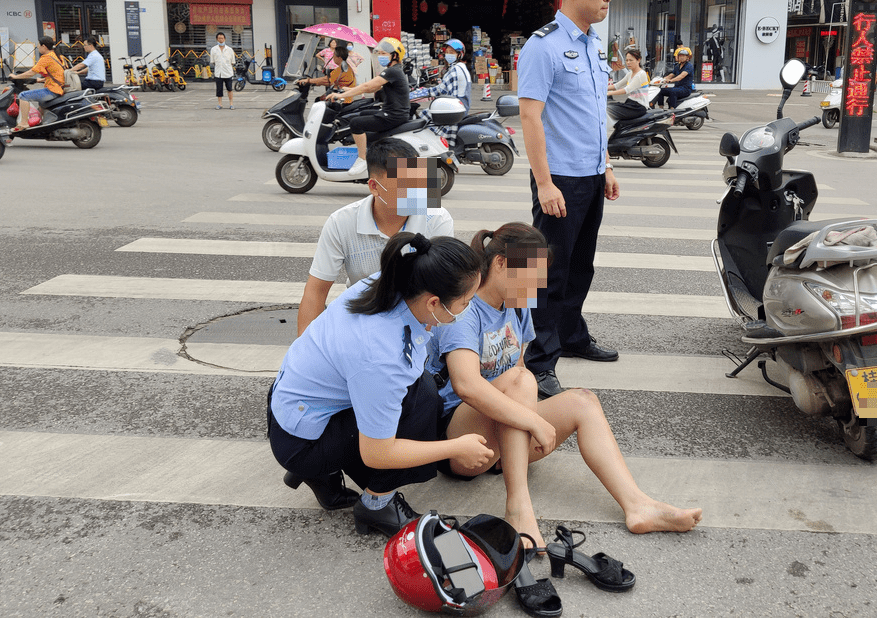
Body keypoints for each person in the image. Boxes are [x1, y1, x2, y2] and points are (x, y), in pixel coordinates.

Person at [427, 223, 703, 547]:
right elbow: (466, 386)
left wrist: (523, 425)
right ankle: (518, 508)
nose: (534, 288)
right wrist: (532, 421)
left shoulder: (517, 306)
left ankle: (638, 506)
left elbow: (516, 366)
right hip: (460, 441)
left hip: (503, 441)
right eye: (529, 276)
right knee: (522, 379)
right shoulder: (464, 309)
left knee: (583, 400)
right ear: (500, 263)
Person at [268, 232, 492, 538]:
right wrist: (454, 447)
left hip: (295, 406)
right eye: (466, 302)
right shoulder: (381, 357)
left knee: (420, 388)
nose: (468, 310)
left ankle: (323, 473)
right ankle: (376, 505)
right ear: (434, 302)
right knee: (423, 402)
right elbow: (378, 454)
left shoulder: (390, 282)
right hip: (302, 440)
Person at [517, 0, 620, 400]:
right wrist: (543, 184)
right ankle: (539, 363)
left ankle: (573, 336)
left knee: (581, 268)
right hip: (558, 180)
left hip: (592, 176)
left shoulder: (595, 44)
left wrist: (608, 165)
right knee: (547, 275)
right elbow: (530, 118)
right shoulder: (543, 45)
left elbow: (593, 113)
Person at [297, 138, 455, 336]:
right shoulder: (341, 222)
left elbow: (440, 288)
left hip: (420, 321)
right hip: (365, 318)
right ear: (374, 186)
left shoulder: (436, 218)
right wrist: (303, 351)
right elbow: (316, 291)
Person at [323, 37, 411, 179]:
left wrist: (342, 95)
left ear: (395, 56)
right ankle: (372, 156)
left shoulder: (392, 71)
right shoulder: (393, 70)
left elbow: (367, 86)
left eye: (384, 54)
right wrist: (346, 90)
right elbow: (373, 87)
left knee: (356, 123)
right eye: (380, 54)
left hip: (394, 114)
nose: (381, 57)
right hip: (393, 112)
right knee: (363, 113)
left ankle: (362, 160)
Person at [414, 38, 472, 139]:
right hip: (459, 107)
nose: (448, 54)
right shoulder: (460, 67)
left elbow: (439, 90)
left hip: (455, 109)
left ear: (459, 55)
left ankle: (433, 145)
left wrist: (417, 94)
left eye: (452, 52)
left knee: (425, 116)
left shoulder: (456, 70)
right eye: (447, 52)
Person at [9, 36, 65, 131]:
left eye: (39, 45)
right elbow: (57, 73)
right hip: (59, 87)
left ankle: (24, 123)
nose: (38, 47)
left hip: (52, 90)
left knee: (23, 95)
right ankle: (43, 124)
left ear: (44, 46)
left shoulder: (46, 57)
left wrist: (16, 77)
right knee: (40, 101)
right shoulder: (58, 56)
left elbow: (31, 72)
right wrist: (41, 80)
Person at [606, 46, 650, 129]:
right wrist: (601, 88)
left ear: (638, 60)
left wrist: (609, 93)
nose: (628, 62)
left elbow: (626, 90)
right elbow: (616, 85)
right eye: (626, 60)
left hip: (638, 107)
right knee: (608, 107)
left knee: (609, 110)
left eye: (631, 60)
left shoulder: (641, 74)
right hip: (630, 103)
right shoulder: (630, 73)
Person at [210, 32, 236, 110]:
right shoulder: (213, 49)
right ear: (217, 39)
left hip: (228, 73)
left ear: (224, 39)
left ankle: (231, 104)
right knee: (219, 90)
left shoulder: (229, 50)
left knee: (229, 89)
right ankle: (220, 104)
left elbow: (232, 62)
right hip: (218, 73)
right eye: (219, 38)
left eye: (222, 38)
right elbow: (213, 61)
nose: (221, 40)